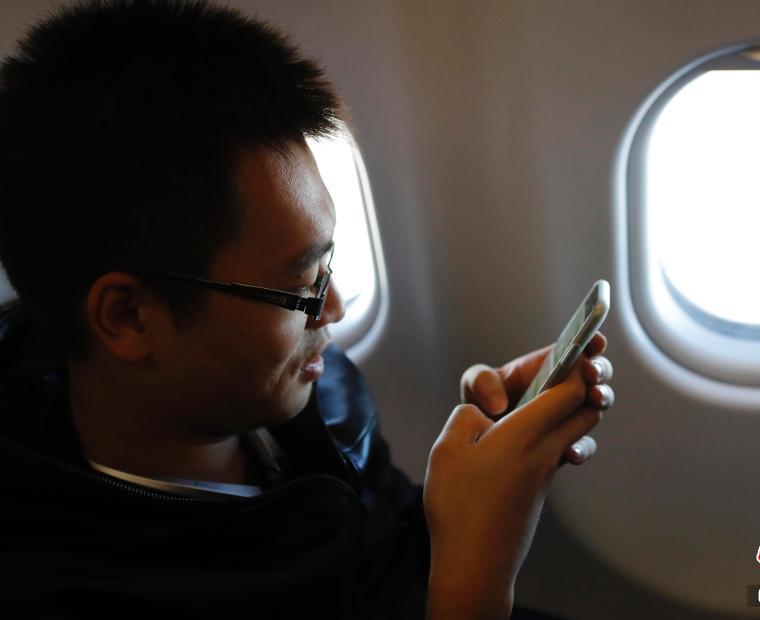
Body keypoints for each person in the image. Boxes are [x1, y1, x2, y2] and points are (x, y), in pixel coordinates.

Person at [0, 1, 614, 618]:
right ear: (129, 317)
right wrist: (476, 576)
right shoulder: (62, 588)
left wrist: (469, 492)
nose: (335, 309)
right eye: (302, 286)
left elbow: (385, 567)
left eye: (329, 266)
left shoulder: (319, 396)